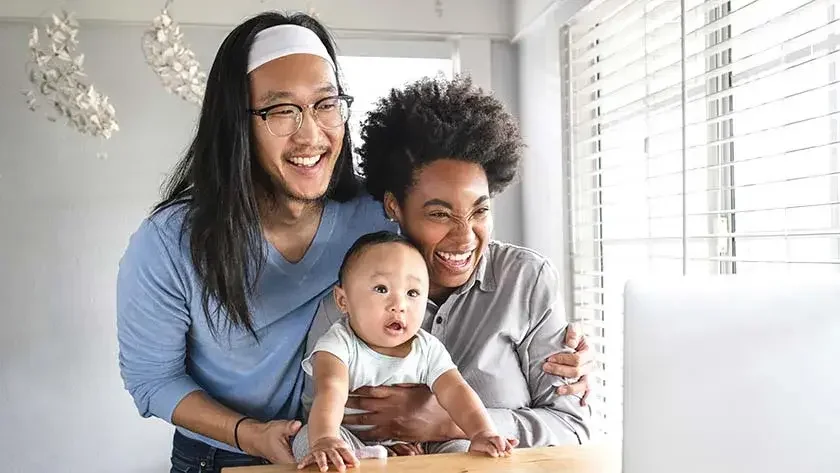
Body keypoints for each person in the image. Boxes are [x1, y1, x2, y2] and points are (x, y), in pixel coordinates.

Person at [116, 11, 592, 473]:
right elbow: (152, 380)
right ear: (239, 123)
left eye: (326, 104)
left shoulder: (372, 215)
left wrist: (553, 349)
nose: (311, 134)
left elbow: (461, 239)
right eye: (282, 110)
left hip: (341, 455)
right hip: (224, 454)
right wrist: (250, 434)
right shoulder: (171, 243)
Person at [303, 75, 591, 454]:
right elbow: (319, 424)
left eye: (480, 211)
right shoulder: (351, 293)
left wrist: (447, 421)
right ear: (394, 207)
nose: (464, 237)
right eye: (439, 214)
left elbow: (573, 426)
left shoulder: (526, 280)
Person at [293, 232, 518, 471]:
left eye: (412, 293)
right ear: (343, 300)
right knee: (307, 440)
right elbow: (331, 389)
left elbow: (456, 391)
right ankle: (356, 455)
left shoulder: (427, 348)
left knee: (461, 449)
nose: (398, 305)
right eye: (381, 289)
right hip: (350, 440)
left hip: (419, 444)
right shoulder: (338, 344)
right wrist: (326, 438)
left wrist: (482, 431)